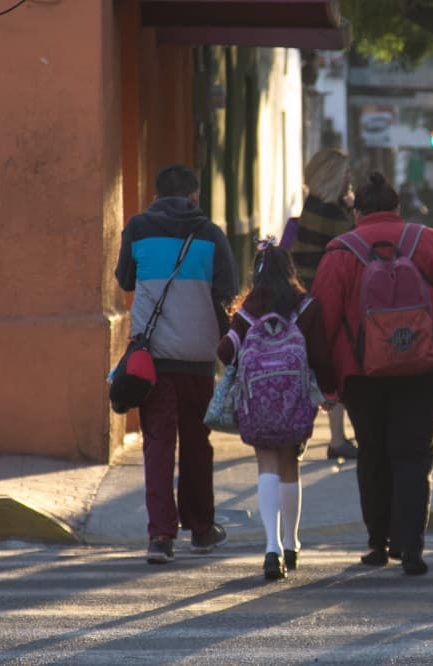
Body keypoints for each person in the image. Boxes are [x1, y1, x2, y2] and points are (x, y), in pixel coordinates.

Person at [312, 171, 433, 576]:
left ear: (356, 211)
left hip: (361, 374)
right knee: (415, 454)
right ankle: (411, 547)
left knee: (373, 453)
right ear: (397, 208)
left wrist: (325, 384)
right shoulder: (429, 242)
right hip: (426, 367)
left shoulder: (340, 252)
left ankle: (377, 545)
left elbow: (323, 323)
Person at [114, 164, 238, 564]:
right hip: (199, 358)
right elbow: (229, 290)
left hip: (154, 360)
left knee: (158, 445)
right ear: (194, 197)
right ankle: (201, 530)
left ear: (155, 196)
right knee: (197, 447)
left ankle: (160, 537)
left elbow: (125, 280)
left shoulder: (137, 228)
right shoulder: (211, 235)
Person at [217, 242, 336, 580]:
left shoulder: (249, 311)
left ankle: (271, 547)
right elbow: (322, 357)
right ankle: (292, 543)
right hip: (294, 402)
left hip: (258, 403)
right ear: (290, 271)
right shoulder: (306, 307)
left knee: (266, 463)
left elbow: (226, 352)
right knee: (290, 464)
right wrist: (329, 393)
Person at [289, 148, 359, 461]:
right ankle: (334, 438)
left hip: (308, 298)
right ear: (333, 176)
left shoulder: (314, 206)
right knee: (332, 367)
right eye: (344, 172)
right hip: (324, 299)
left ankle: (326, 436)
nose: (349, 178)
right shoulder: (329, 213)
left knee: (320, 368)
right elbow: (356, 245)